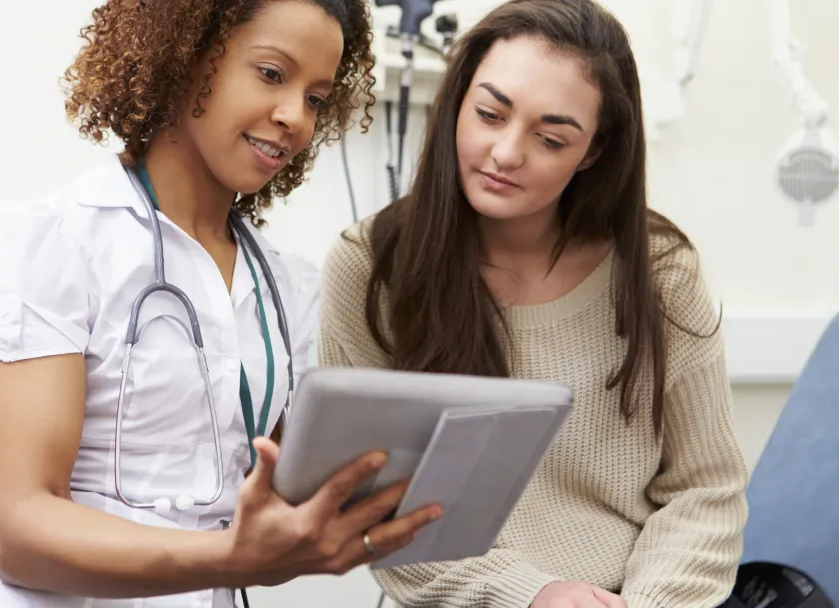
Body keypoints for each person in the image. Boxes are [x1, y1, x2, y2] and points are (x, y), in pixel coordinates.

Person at [0, 0, 442, 606]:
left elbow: (276, 508)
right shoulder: (61, 244)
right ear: (185, 56)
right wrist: (231, 557)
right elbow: (19, 532)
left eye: (315, 98)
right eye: (272, 74)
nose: (294, 118)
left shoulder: (284, 289)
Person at [317, 0, 750, 606]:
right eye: (490, 114)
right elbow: (379, 509)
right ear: (458, 101)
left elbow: (707, 490)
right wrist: (532, 594)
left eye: (550, 138)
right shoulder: (370, 268)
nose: (506, 152)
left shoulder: (660, 271)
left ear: (593, 151)